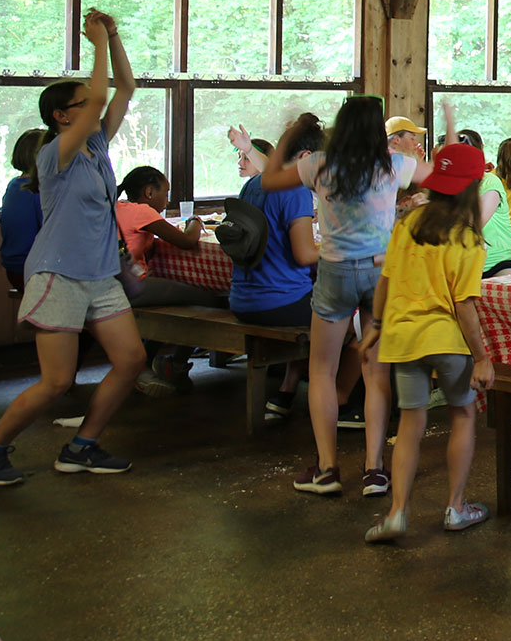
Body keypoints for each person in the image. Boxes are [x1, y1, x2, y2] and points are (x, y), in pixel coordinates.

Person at [0, 9, 146, 485]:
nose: (96, 108)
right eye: (84, 104)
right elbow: (104, 94)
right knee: (57, 381)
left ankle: (82, 446)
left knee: (131, 360)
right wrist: (97, 46)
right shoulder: (56, 153)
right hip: (58, 274)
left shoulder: (97, 147)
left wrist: (114, 33)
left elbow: (123, 90)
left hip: (100, 274)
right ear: (62, 116)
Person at [260, 96, 437, 499]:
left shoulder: (319, 164)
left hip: (335, 270)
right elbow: (446, 178)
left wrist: (290, 132)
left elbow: (268, 180)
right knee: (376, 371)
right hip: (380, 272)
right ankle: (375, 470)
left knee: (322, 370)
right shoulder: (393, 165)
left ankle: (326, 469)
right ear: (380, 132)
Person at [359, 140, 496, 542]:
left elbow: (385, 281)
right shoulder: (468, 239)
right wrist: (483, 357)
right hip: (447, 338)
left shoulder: (407, 225)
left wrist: (377, 325)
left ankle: (398, 512)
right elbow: (464, 304)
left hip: (403, 336)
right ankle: (455, 506)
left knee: (411, 424)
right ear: (473, 186)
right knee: (462, 415)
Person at [225, 120, 323, 418]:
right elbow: (305, 254)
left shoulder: (252, 184)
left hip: (242, 300)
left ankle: (286, 392)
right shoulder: (295, 190)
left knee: (317, 301)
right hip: (278, 302)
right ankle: (341, 401)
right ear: (307, 158)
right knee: (347, 317)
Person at [113, 165, 226, 396]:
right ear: (149, 193)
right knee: (208, 299)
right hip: (132, 287)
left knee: (182, 301)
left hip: (111, 283)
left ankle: (164, 362)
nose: (167, 200)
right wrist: (195, 219)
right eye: (166, 193)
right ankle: (172, 364)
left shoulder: (118, 207)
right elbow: (187, 241)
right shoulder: (143, 212)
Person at [458, 130, 511, 277]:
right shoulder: (449, 184)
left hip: (500, 262)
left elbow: (474, 223)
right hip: (464, 265)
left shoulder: (489, 181)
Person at [0, 128, 47, 293]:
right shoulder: (37, 190)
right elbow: (52, 232)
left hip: (13, 270)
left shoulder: (13, 185)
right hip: (33, 271)